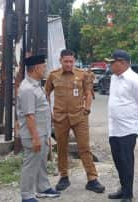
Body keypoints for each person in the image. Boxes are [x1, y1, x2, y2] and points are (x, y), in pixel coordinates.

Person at [45, 49, 105, 193]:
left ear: (74, 61)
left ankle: (92, 179)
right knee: (62, 148)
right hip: (60, 118)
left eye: (71, 61)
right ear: (60, 61)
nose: (68, 64)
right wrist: (49, 112)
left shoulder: (82, 75)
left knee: (84, 148)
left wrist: (87, 109)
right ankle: (64, 177)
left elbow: (89, 93)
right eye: (66, 61)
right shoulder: (53, 76)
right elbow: (46, 93)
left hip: (79, 117)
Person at [105, 50, 138, 202]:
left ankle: (128, 194)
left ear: (122, 63)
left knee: (126, 161)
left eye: (112, 62)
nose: (110, 65)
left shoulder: (134, 79)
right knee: (118, 160)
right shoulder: (114, 78)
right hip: (114, 127)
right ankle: (123, 188)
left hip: (128, 128)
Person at [17, 55, 60, 202]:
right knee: (31, 164)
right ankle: (27, 195)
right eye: (43, 67)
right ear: (36, 68)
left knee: (41, 161)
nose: (45, 69)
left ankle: (42, 188)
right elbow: (29, 116)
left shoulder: (35, 84)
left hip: (42, 132)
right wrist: (35, 137)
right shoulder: (27, 88)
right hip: (33, 134)